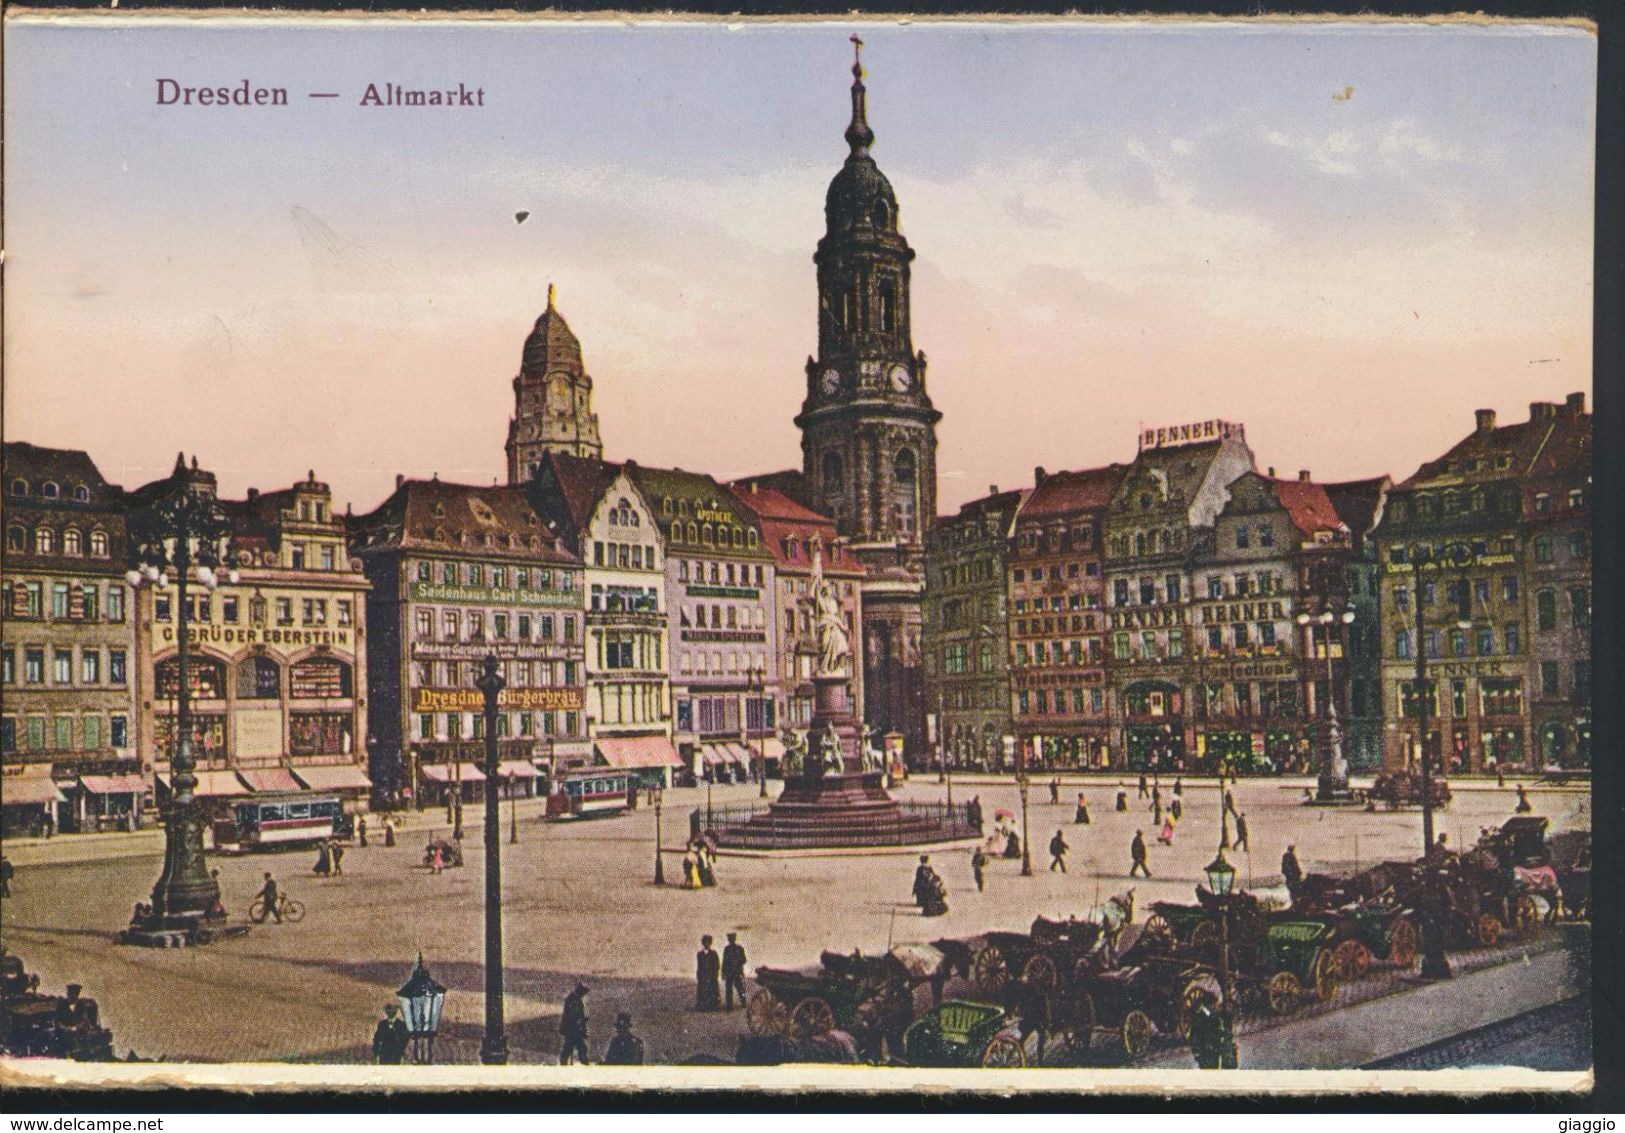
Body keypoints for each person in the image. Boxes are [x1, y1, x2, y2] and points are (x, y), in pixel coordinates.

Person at [560, 981, 590, 1064]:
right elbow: (572, 1017)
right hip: (574, 1030)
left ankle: (565, 1064)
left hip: (572, 1030)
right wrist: (582, 1021)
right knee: (579, 1049)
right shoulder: (574, 1000)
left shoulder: (572, 999)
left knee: (569, 1049)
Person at [722, 932, 748, 1011]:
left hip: (737, 972)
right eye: (730, 939)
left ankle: (744, 1003)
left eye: (732, 939)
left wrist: (737, 962)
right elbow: (724, 961)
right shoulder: (727, 949)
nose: (731, 940)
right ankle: (729, 1005)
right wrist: (723, 973)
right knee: (728, 989)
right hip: (729, 972)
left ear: (735, 939)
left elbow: (744, 960)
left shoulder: (740, 948)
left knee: (740, 988)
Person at [695, 935, 722, 1011]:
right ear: (702, 943)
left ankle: (713, 1005)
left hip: (711, 974)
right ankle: (701, 1004)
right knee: (702, 989)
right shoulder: (700, 954)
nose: (706, 944)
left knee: (712, 990)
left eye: (707, 942)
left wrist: (714, 974)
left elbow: (717, 965)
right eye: (704, 942)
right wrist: (698, 974)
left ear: (710, 943)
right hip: (703, 974)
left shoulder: (713, 953)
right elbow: (699, 965)